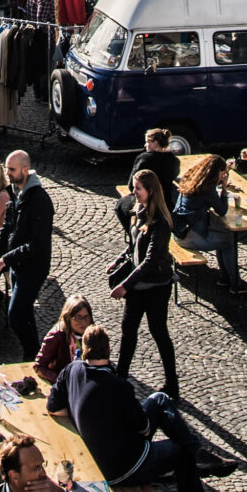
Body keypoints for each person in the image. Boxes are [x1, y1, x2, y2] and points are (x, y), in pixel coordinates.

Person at [46, 325, 213, 492]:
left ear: (84, 349)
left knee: (160, 398)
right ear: (109, 350)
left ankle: (195, 449)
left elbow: (53, 407)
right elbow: (144, 429)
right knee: (182, 450)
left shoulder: (71, 370)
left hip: (95, 456)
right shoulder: (119, 386)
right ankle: (194, 453)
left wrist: (82, 412)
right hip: (122, 469)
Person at [111, 168, 178, 399]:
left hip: (156, 286)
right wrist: (118, 260)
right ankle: (121, 377)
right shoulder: (138, 212)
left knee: (158, 332)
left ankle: (172, 384)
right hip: (138, 284)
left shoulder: (160, 221)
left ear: (150, 191)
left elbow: (151, 260)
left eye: (138, 189)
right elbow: (134, 245)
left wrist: (125, 286)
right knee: (128, 329)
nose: (134, 192)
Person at [0, 149, 54, 351]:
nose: (8, 173)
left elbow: (37, 244)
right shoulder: (15, 193)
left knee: (16, 316)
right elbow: (7, 226)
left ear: (25, 169)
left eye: (12, 170)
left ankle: (32, 353)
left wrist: (5, 259)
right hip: (18, 265)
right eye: (7, 169)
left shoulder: (39, 200)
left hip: (33, 268)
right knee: (25, 312)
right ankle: (35, 353)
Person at [174, 154, 243, 290]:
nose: (223, 176)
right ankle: (235, 284)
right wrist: (224, 189)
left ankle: (224, 278)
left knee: (223, 237)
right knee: (228, 242)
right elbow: (222, 210)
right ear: (217, 172)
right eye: (223, 173)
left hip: (178, 231)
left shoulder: (191, 180)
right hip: (189, 237)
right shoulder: (207, 189)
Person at [33, 296, 96, 384]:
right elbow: (39, 366)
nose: (83, 322)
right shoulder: (57, 336)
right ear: (68, 317)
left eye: (86, 317)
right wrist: (62, 380)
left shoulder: (92, 332)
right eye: (78, 317)